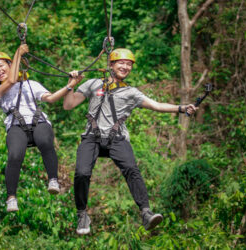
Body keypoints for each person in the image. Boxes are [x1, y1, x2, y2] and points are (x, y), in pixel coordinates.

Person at [63, 48, 198, 234]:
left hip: (116, 138)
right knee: (81, 173)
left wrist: (182, 108)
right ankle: (82, 214)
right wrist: (71, 85)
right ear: (111, 65)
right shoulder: (93, 84)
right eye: (122, 63)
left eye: (129, 64)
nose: (125, 67)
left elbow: (157, 106)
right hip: (92, 137)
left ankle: (146, 213)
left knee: (132, 169)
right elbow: (68, 105)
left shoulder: (131, 93)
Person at [0, 44, 81, 212]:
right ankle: (11, 197)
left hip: (38, 121)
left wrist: (70, 85)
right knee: (15, 155)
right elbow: (11, 80)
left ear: (10, 65)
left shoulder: (32, 84)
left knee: (45, 141)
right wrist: (17, 53)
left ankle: (53, 179)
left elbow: (51, 99)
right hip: (16, 125)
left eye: (1, 65)